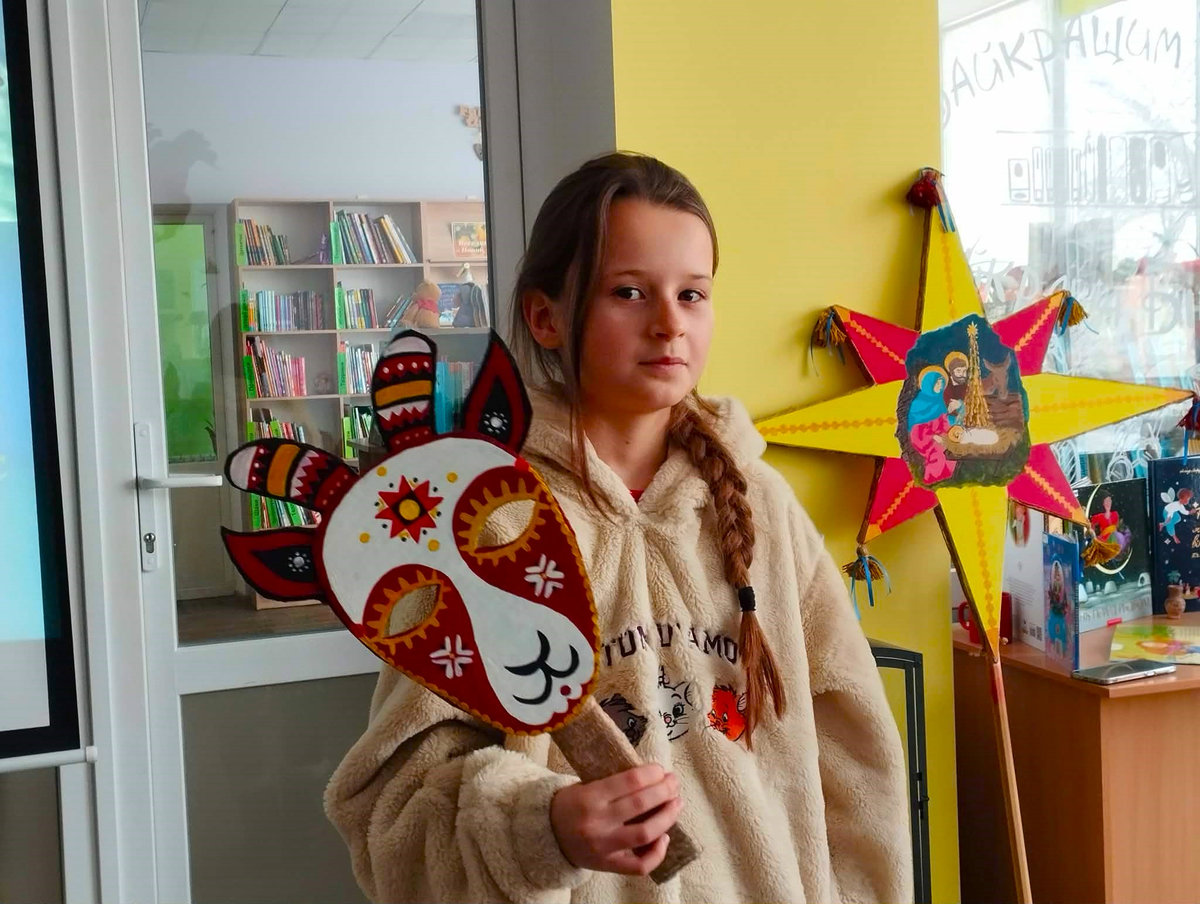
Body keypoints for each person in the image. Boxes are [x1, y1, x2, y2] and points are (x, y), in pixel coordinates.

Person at [324, 152, 913, 903]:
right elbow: (396, 814)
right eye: (628, 292)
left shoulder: (759, 503)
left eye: (692, 294)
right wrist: (541, 829)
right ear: (546, 316)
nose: (669, 323)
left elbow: (857, 758)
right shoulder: (489, 523)